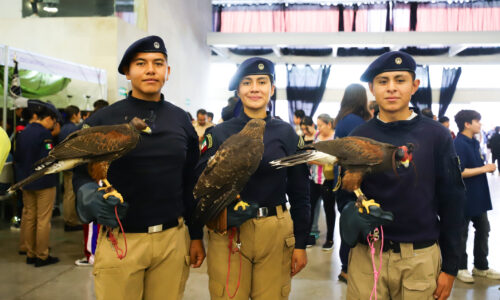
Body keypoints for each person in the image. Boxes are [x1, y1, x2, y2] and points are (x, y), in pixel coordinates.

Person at [72, 35, 205, 300]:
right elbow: (80, 171)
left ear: (167, 72)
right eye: (141, 63)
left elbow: (191, 180)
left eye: (158, 63)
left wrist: (196, 234)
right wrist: (87, 195)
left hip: (172, 239)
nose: (150, 69)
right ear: (127, 72)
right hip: (121, 238)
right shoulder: (105, 118)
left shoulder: (180, 119)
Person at [338, 51, 465, 300]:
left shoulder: (437, 135)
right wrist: (352, 214)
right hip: (368, 256)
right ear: (372, 89)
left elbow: (454, 201)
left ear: (414, 85)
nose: (392, 88)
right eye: (383, 82)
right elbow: (344, 195)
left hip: (420, 257)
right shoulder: (357, 136)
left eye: (400, 80)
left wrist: (451, 266)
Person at [195, 57, 310, 300]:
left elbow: (301, 192)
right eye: (247, 82)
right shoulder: (219, 133)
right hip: (228, 229)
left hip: (274, 230)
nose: (255, 88)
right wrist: (206, 226)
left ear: (272, 88)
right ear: (239, 90)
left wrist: (301, 243)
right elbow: (200, 188)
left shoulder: (287, 133)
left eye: (262, 81)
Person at [453, 110, 499, 283]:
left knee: (484, 230)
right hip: (464, 196)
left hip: (478, 196)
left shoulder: (473, 142)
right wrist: (485, 169)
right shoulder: (459, 144)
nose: (480, 124)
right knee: (461, 233)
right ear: (467, 124)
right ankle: (460, 267)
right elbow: (460, 171)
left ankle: (481, 266)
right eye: (477, 121)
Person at [332, 83, 372, 283]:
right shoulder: (356, 122)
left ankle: (345, 267)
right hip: (354, 181)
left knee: (348, 221)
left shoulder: (342, 120)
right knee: (353, 224)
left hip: (342, 179)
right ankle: (348, 268)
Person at [14, 100, 60, 267]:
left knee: (28, 217)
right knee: (43, 220)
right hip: (43, 182)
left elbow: (18, 158)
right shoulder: (44, 134)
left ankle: (29, 252)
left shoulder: (24, 132)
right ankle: (42, 255)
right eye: (53, 121)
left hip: (26, 181)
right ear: (48, 118)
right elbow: (48, 159)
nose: (53, 125)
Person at [305, 113, 336, 252]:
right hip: (314, 178)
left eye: (321, 125)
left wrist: (314, 160)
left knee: (329, 210)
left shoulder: (335, 138)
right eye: (317, 125)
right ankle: (309, 237)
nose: (318, 128)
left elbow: (333, 160)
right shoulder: (317, 136)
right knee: (310, 208)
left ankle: (329, 239)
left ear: (329, 124)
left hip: (328, 180)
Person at [59, 105, 83, 231]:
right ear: (74, 115)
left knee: (68, 193)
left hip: (65, 163)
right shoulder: (73, 129)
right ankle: (70, 221)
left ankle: (70, 219)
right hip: (71, 165)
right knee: (70, 193)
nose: (80, 117)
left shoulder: (63, 128)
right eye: (79, 114)